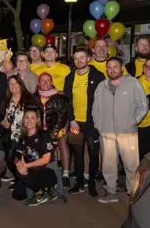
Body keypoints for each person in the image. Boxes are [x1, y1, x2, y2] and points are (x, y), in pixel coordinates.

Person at [92, 57, 148, 203]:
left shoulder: (133, 83)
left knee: (131, 165)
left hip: (128, 133)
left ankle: (133, 193)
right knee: (108, 165)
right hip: (107, 134)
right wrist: (100, 126)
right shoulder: (101, 86)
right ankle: (111, 192)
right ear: (106, 69)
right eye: (109, 67)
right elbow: (95, 109)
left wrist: (132, 122)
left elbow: (142, 106)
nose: (112, 69)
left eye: (115, 66)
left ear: (121, 68)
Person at [64, 48, 105, 197]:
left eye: (82, 57)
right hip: (76, 123)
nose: (79, 61)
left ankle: (92, 184)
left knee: (94, 153)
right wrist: (72, 120)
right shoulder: (69, 78)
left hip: (92, 122)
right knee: (78, 153)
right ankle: (80, 183)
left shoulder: (98, 76)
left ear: (88, 59)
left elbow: (103, 100)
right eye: (76, 58)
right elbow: (67, 101)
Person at [15, 108, 57, 207]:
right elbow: (17, 154)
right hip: (32, 170)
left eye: (32, 118)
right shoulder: (23, 137)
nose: (29, 121)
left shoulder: (44, 135)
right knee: (17, 195)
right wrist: (18, 163)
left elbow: (45, 159)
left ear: (37, 120)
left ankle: (40, 194)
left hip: (46, 171)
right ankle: (44, 188)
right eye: (27, 118)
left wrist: (26, 165)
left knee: (22, 173)